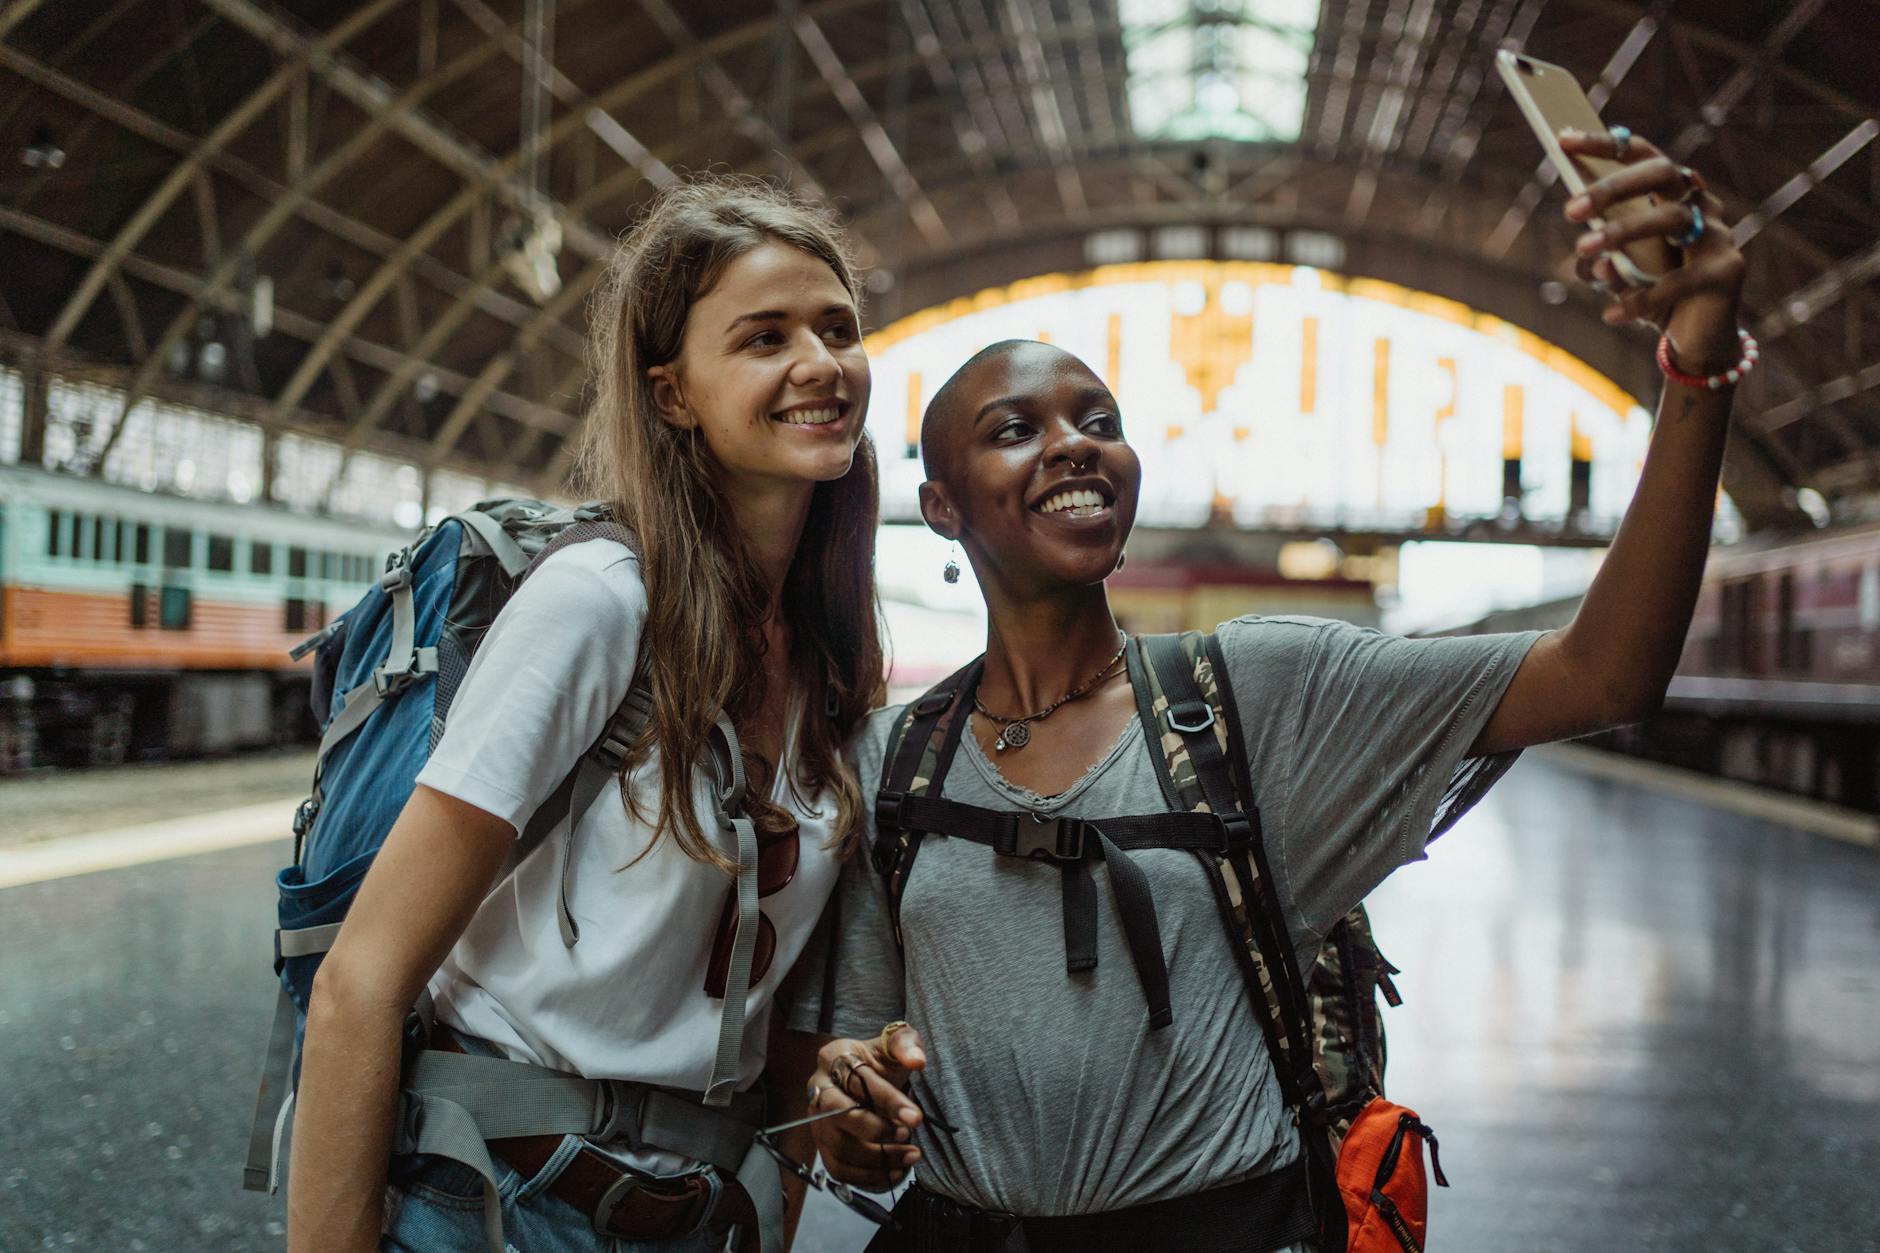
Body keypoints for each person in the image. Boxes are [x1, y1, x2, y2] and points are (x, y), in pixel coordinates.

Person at [791, 127, 1749, 1252]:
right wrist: (848, 1112)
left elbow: (1604, 672)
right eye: (1015, 430)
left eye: (1098, 422)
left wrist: (1695, 368)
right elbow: (846, 1066)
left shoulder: (1258, 695)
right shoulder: (892, 763)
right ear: (941, 506)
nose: (1073, 445)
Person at [285, 177, 883, 1253]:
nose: (820, 363)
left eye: (836, 328)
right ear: (671, 394)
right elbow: (361, 982)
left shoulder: (833, 651)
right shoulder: (601, 600)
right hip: (502, 1206)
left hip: (709, 1213)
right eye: (763, 338)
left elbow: (782, 1007)